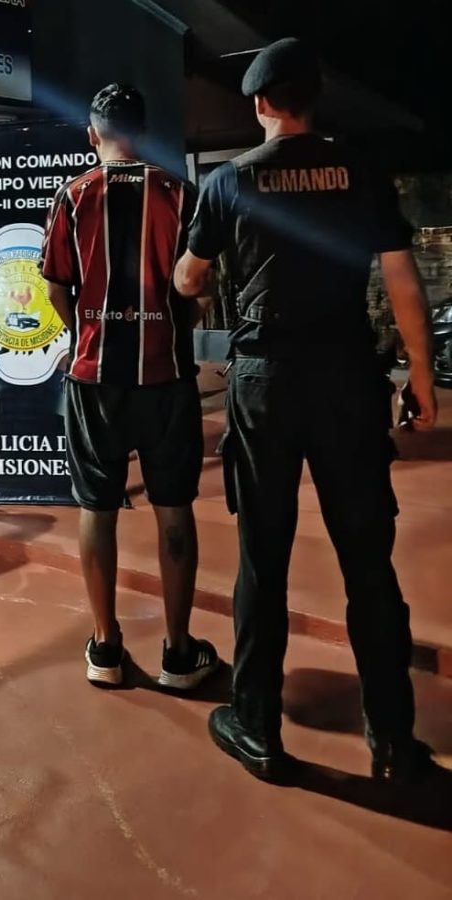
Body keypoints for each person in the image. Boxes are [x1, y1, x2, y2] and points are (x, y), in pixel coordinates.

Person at [174, 38, 438, 784]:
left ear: (261, 103)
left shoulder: (228, 182)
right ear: (313, 101)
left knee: (264, 556)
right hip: (349, 378)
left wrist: (195, 273)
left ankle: (257, 728)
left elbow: (189, 278)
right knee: (369, 561)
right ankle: (393, 739)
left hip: (265, 385)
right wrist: (420, 376)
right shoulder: (360, 172)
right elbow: (403, 282)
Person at [40, 84, 219, 691]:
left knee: (96, 507)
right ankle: (178, 654)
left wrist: (86, 334)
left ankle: (105, 648)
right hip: (167, 378)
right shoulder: (181, 194)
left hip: (95, 380)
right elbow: (199, 289)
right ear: (142, 133)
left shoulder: (72, 196)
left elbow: (56, 287)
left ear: (93, 134)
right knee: (174, 508)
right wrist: (169, 328)